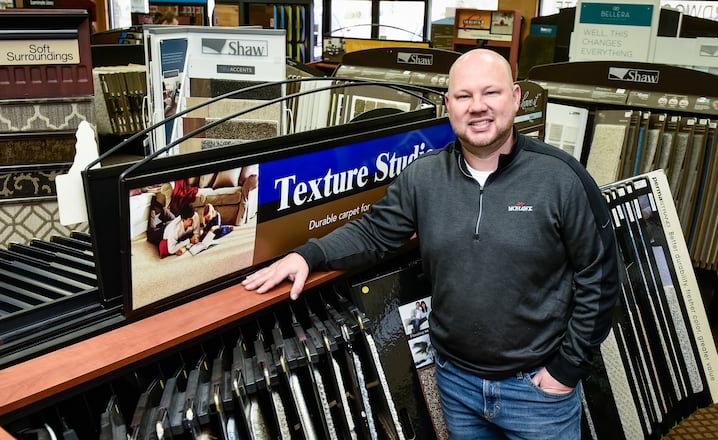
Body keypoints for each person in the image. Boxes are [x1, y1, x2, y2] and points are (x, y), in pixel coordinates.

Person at [242, 48, 620, 439]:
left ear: (516, 97)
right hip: (456, 386)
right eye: (464, 96)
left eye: (491, 93)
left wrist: (566, 370)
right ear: (448, 105)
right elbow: (375, 232)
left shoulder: (562, 179)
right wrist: (309, 255)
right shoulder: (424, 177)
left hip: (536, 394)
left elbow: (602, 277)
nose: (478, 107)